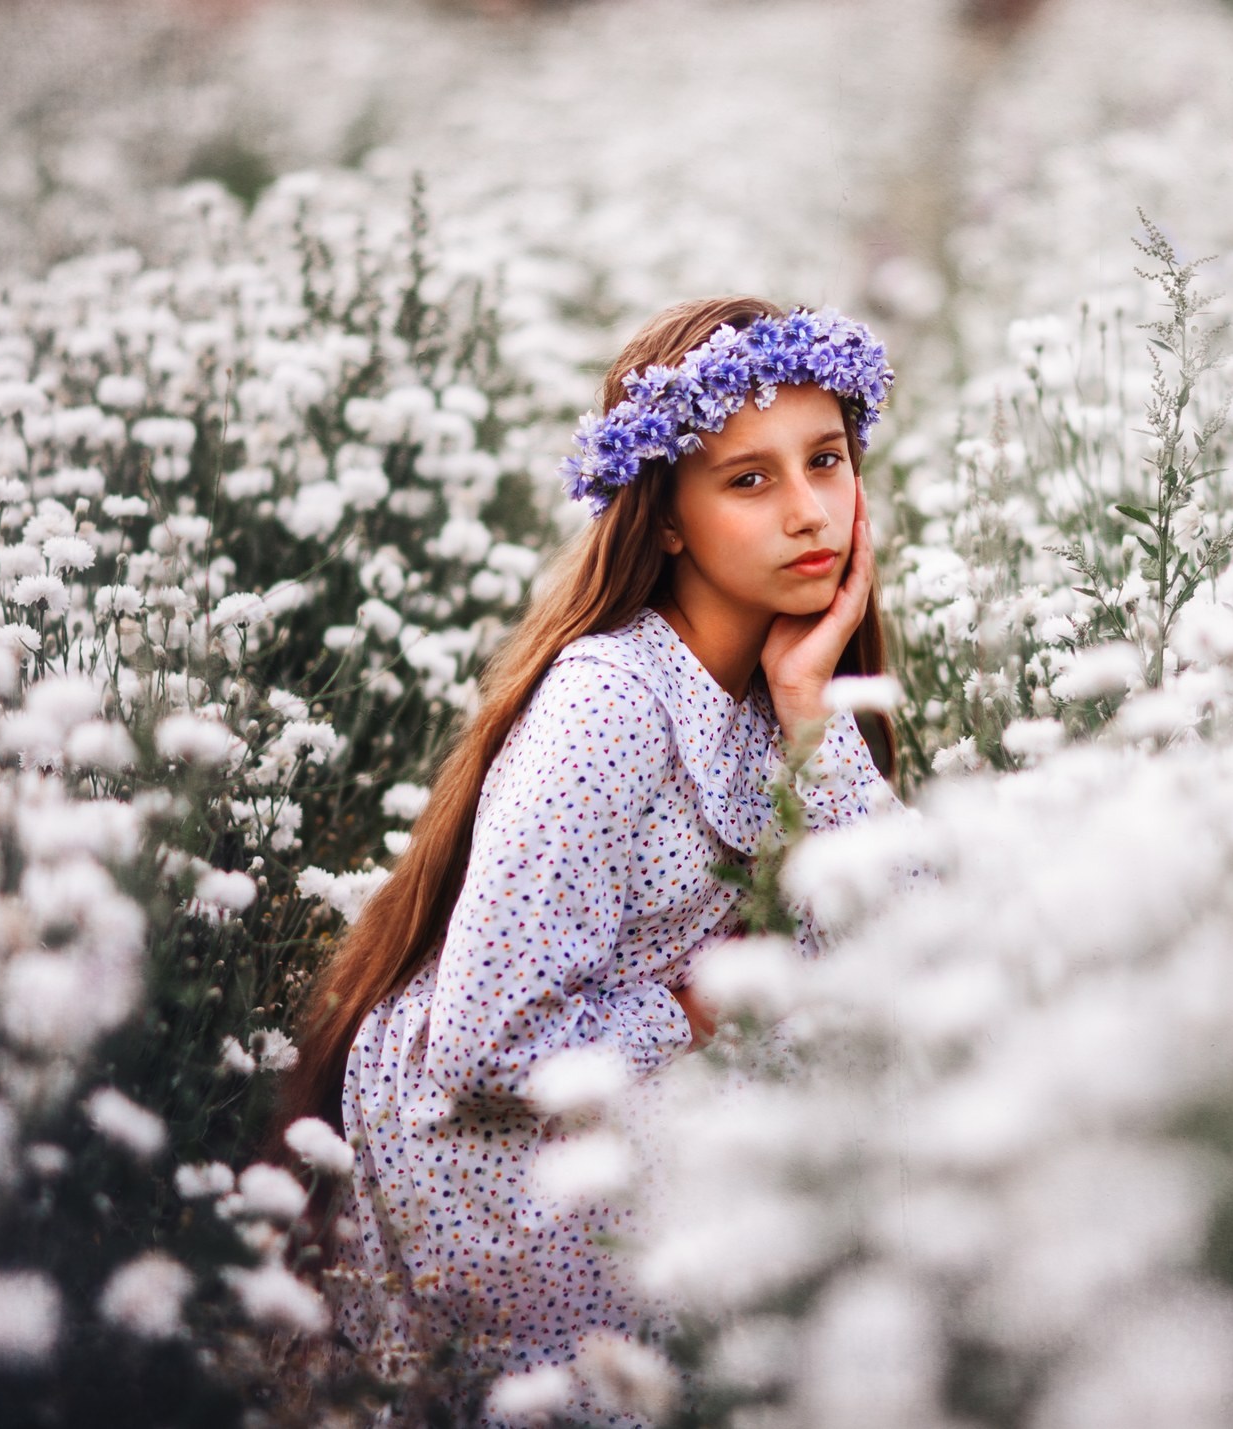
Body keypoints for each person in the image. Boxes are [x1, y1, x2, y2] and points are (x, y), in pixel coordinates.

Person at [264, 296, 905, 1426]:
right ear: (667, 519)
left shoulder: (777, 686)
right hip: (503, 1174)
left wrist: (816, 710)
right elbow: (481, 1041)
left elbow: (916, 950)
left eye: (825, 460)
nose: (809, 512)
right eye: (748, 480)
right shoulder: (607, 703)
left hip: (655, 1128)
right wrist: (694, 1014)